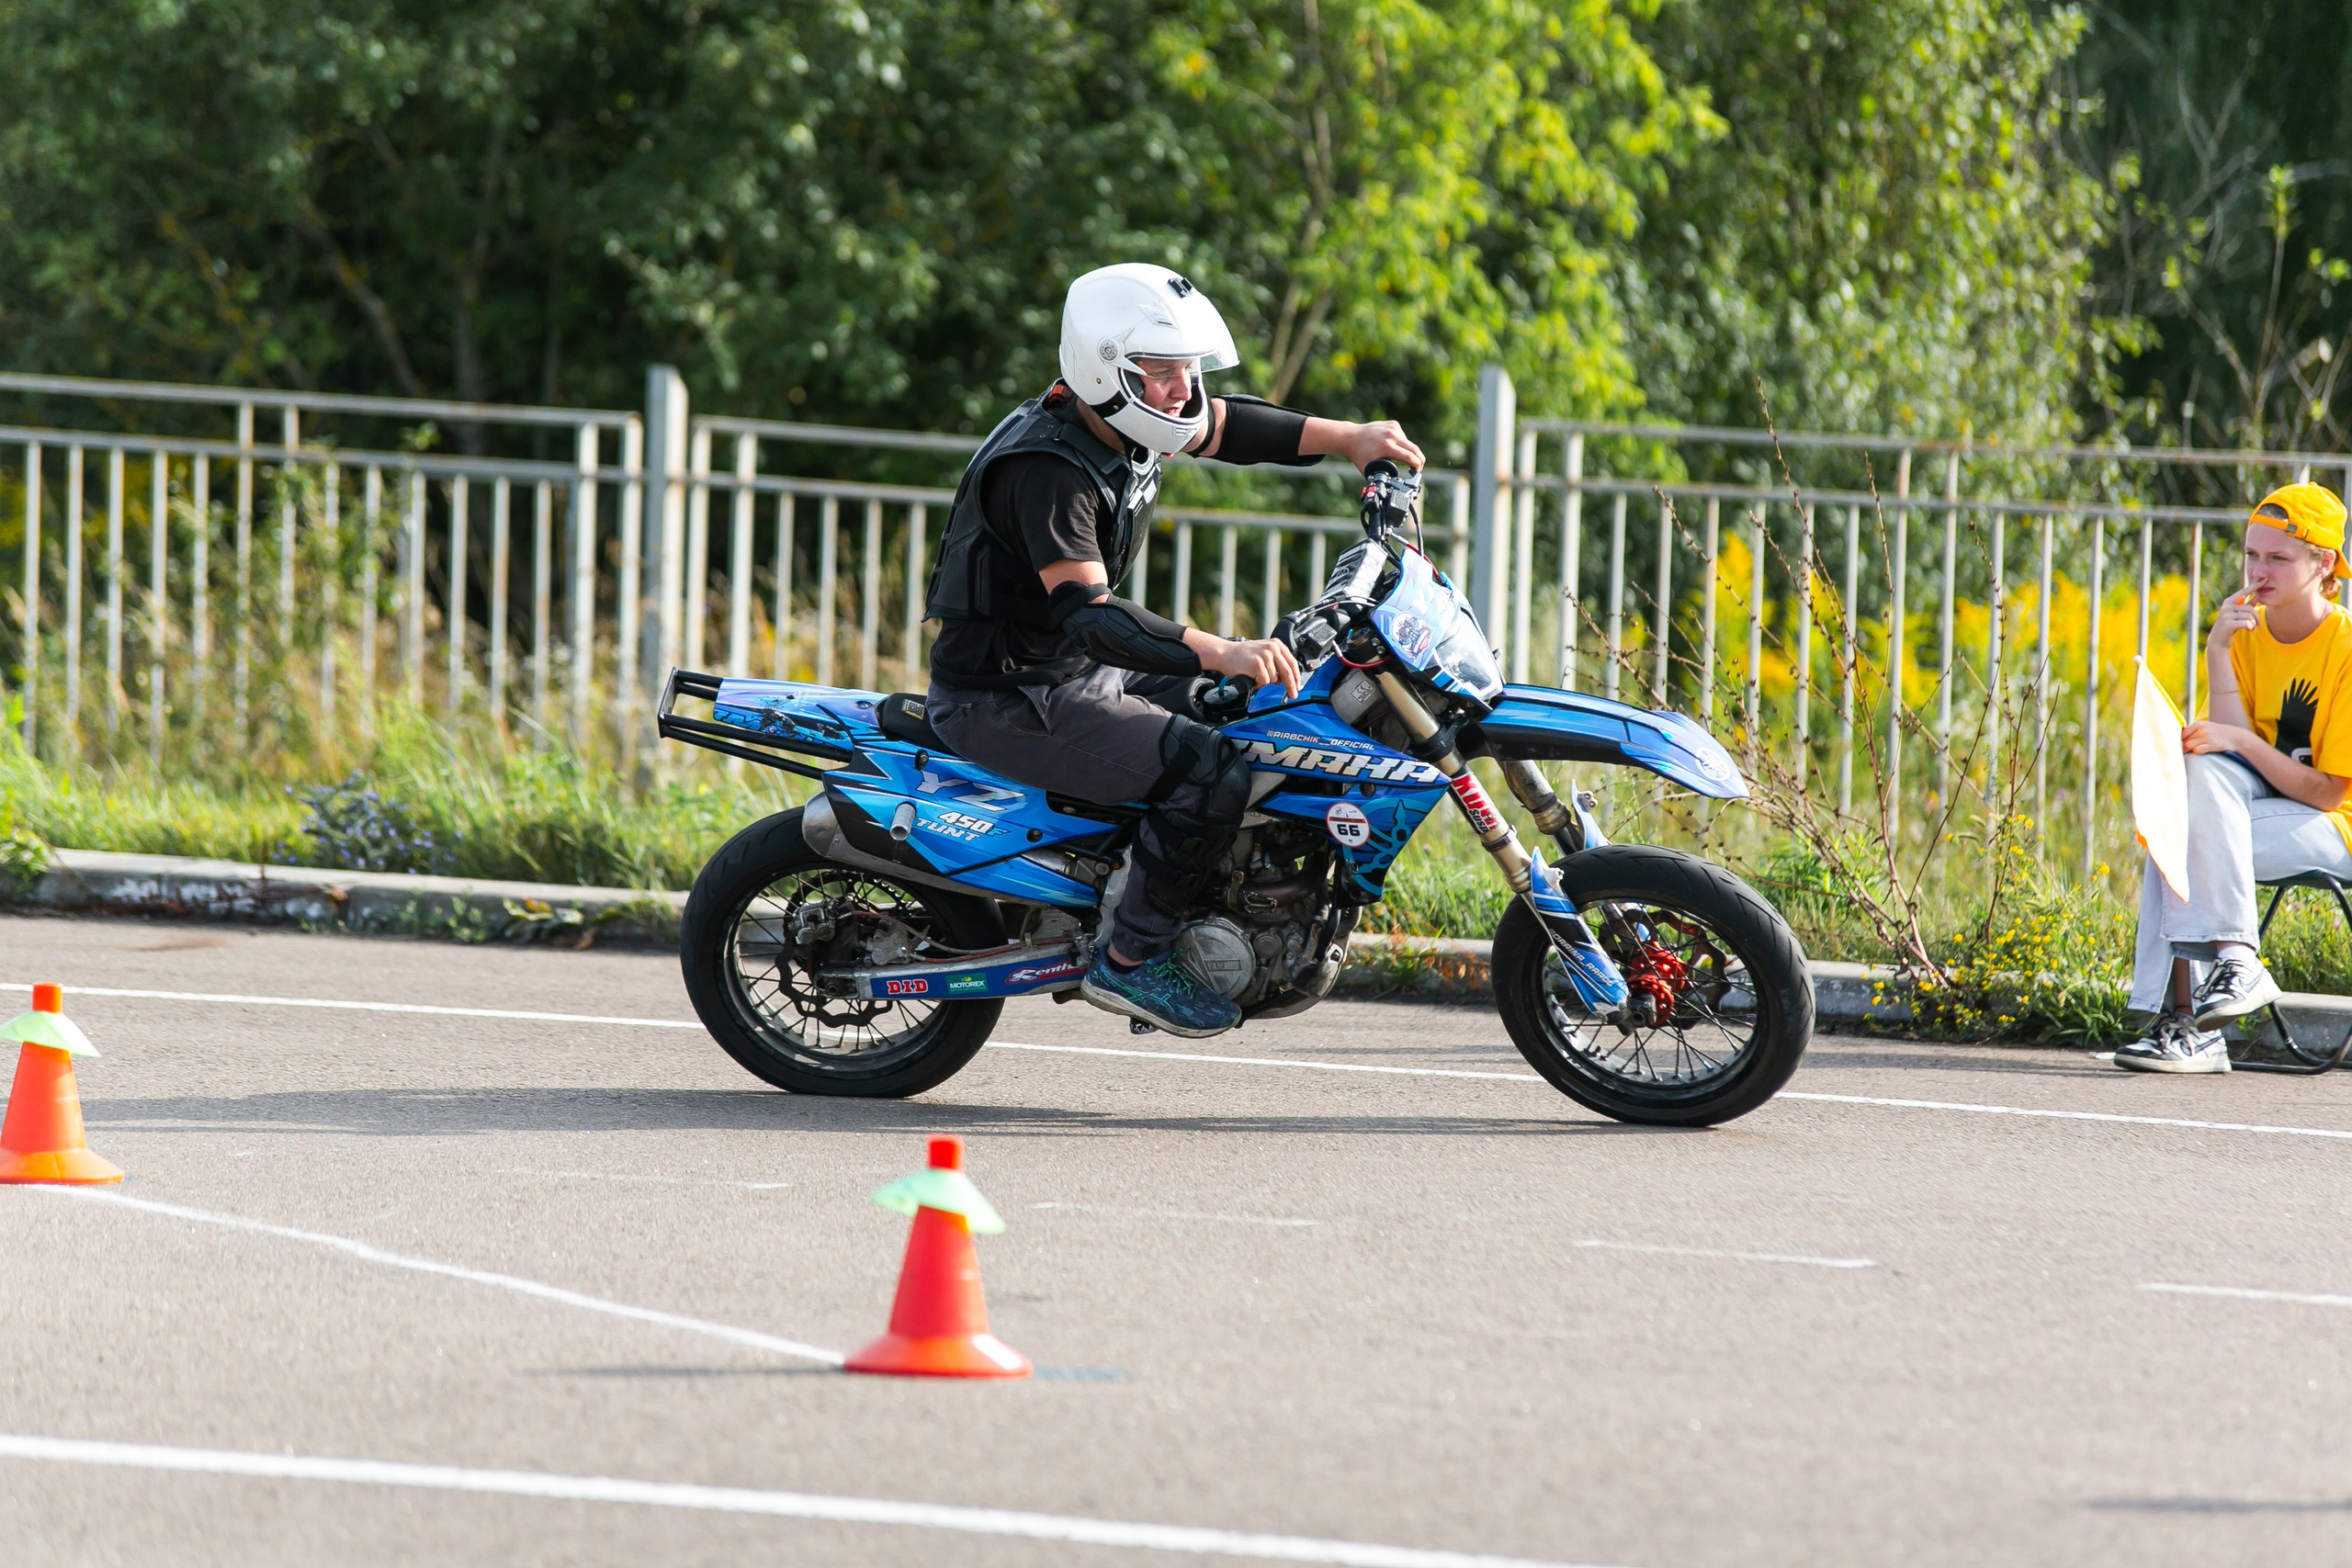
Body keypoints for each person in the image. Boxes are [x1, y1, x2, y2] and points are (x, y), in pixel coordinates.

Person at [921, 264, 1422, 1039]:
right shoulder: (1050, 471)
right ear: (1105, 371)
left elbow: (1227, 426)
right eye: (1161, 374)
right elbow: (1089, 617)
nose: (1182, 390)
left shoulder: (1122, 421)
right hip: (1013, 695)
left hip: (1073, 672)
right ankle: (1130, 959)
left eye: (1186, 370)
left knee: (1253, 715)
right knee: (1210, 769)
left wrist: (1348, 439)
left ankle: (1170, 891)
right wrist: (1220, 649)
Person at [2117, 481, 2352, 1072]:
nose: (2259, 570)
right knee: (2184, 805)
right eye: (2251, 554)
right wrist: (2218, 653)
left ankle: (2190, 1022)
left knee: (2186, 833)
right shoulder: (2247, 635)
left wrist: (2241, 740)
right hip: (2260, 812)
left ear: (2323, 563)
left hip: (2333, 825)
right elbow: (2224, 764)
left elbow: (2329, 790)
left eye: (2278, 557)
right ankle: (2229, 970)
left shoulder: (2345, 645)